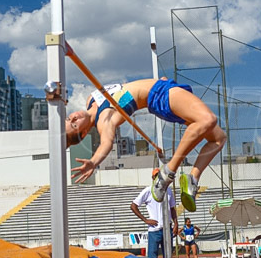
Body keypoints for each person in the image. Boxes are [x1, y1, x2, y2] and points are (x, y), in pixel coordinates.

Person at [66, 77, 226, 212]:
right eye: (73, 125)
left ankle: (192, 179)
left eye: (69, 119)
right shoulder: (105, 121)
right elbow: (106, 143)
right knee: (208, 119)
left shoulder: (90, 100)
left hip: (162, 88)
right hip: (158, 94)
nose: (73, 118)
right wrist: (94, 162)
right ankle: (168, 171)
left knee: (218, 138)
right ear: (84, 133)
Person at [130, 168, 179, 258]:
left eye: (160, 176)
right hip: (154, 230)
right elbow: (133, 206)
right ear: (153, 178)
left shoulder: (168, 190)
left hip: (167, 229)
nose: (159, 178)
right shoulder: (148, 191)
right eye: (156, 176)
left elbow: (172, 208)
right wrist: (145, 220)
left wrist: (176, 224)